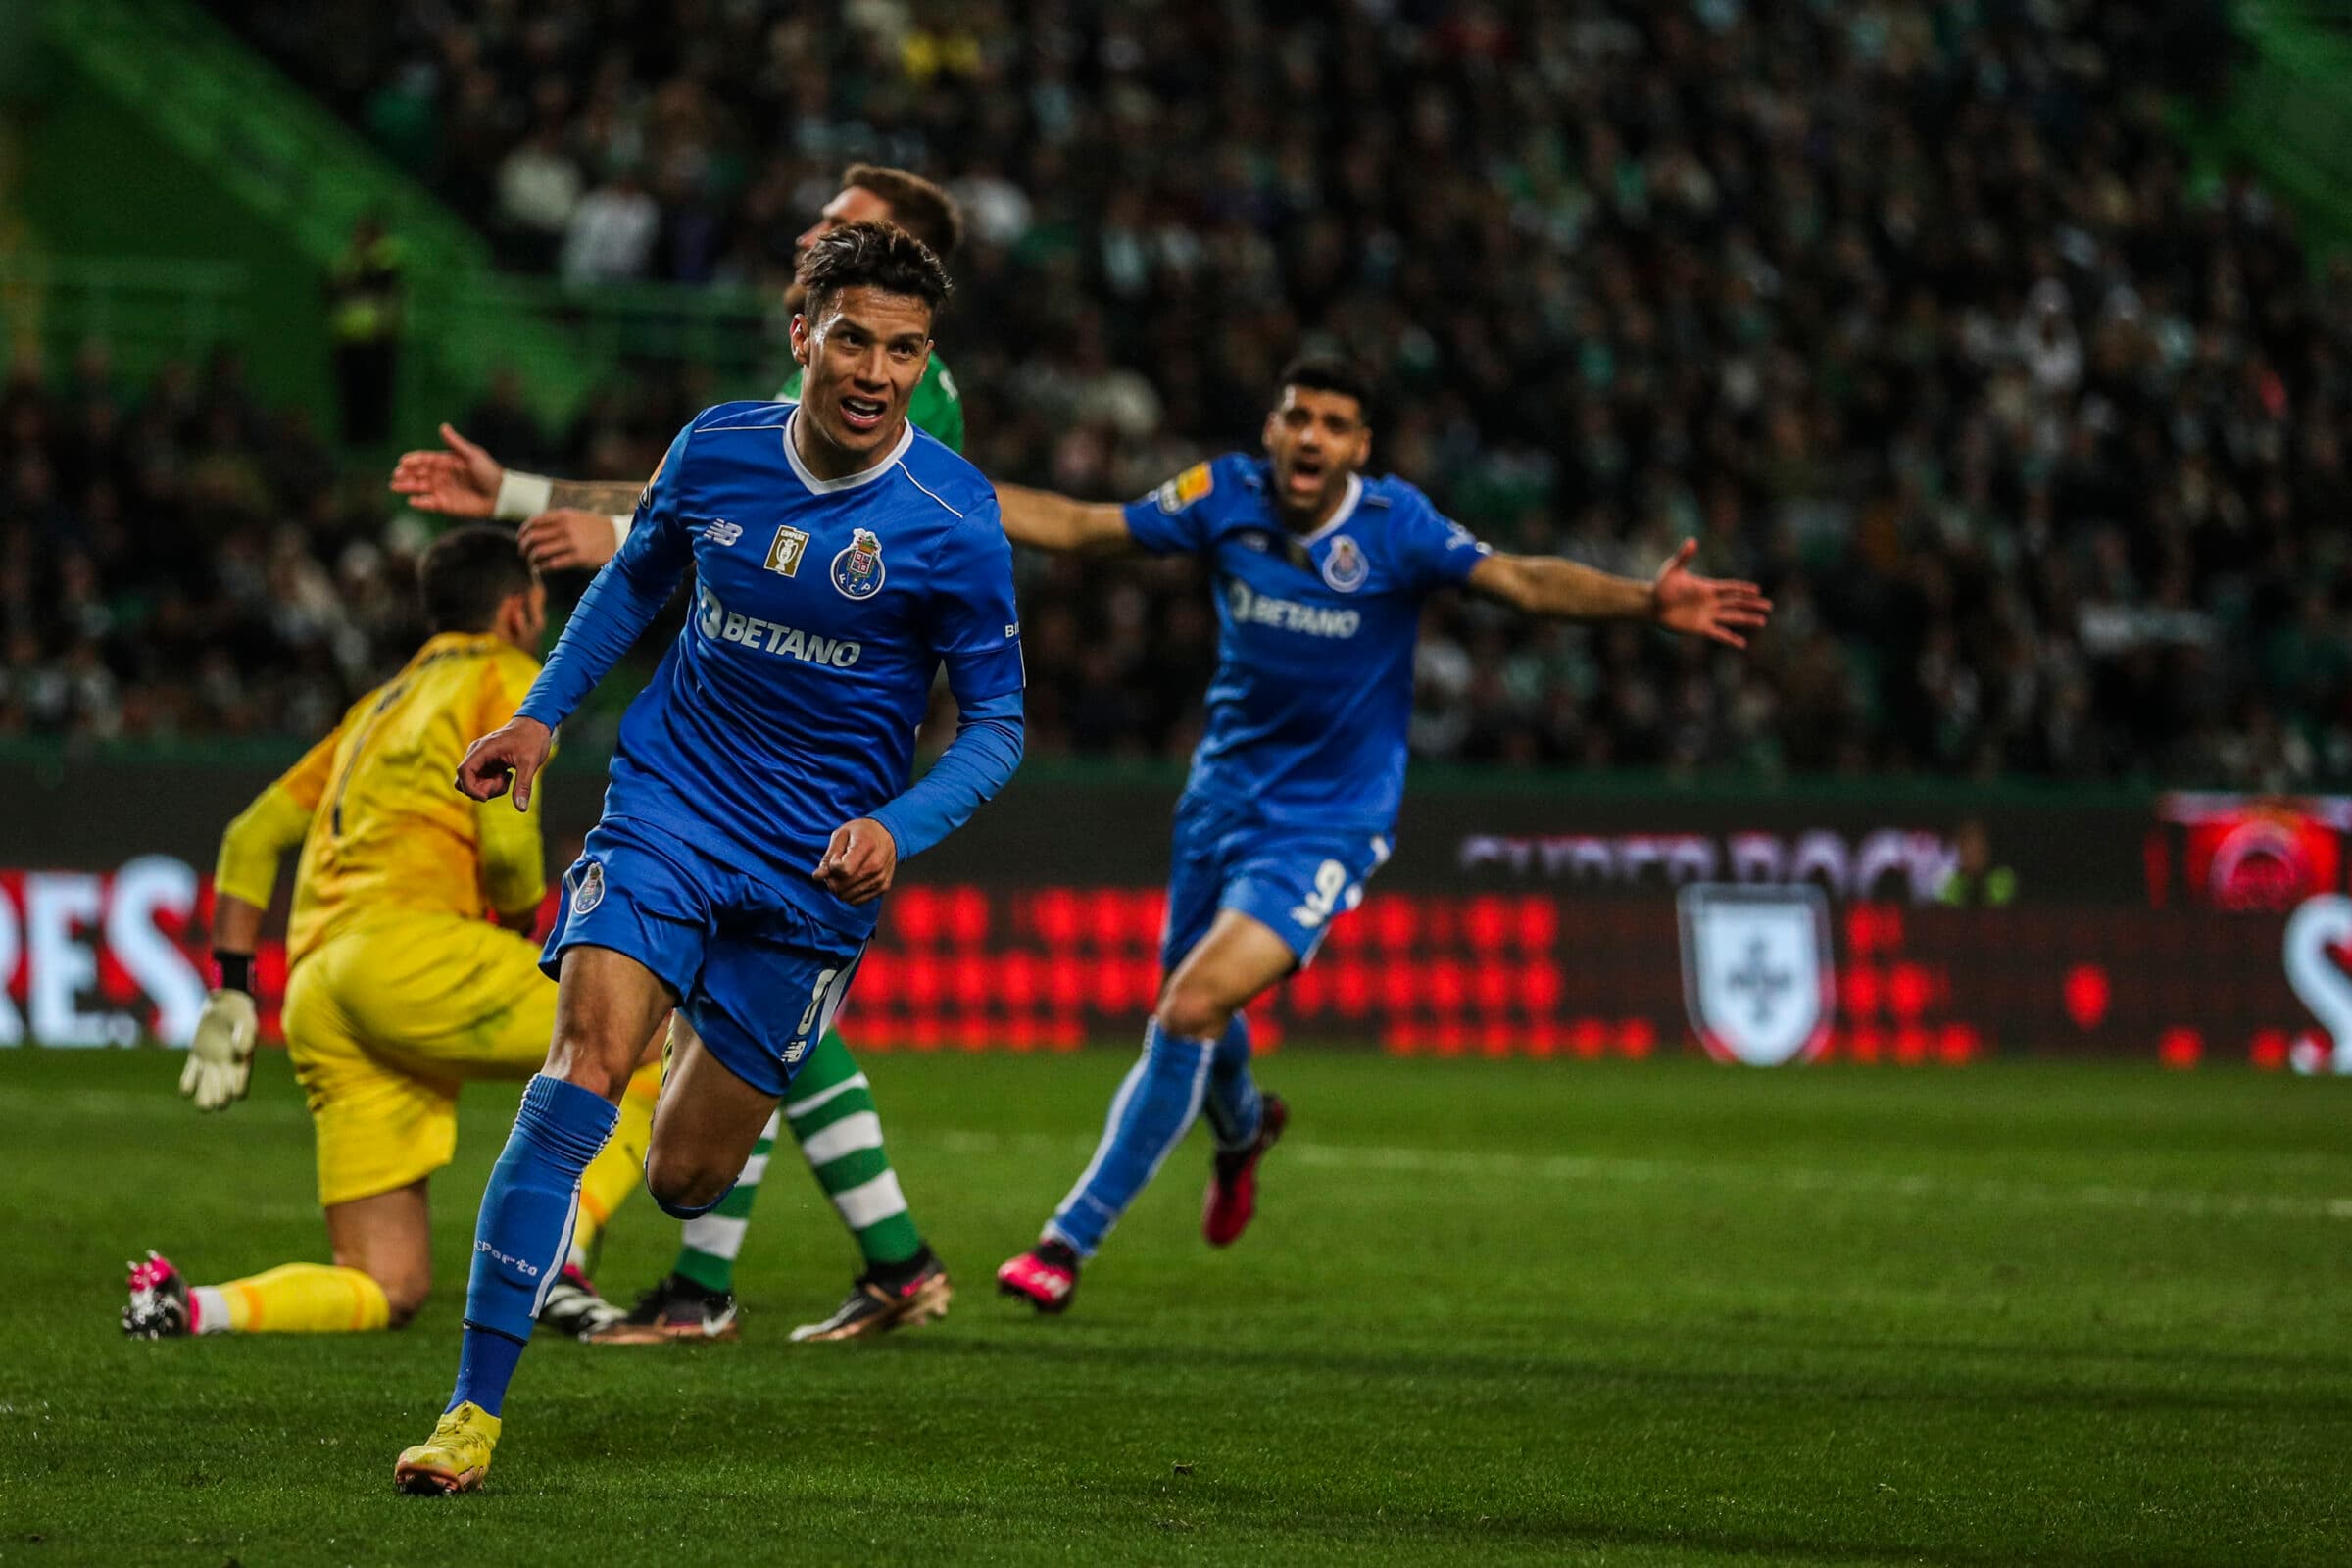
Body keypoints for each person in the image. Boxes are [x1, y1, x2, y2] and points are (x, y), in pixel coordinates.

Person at [393, 221, 1023, 1494]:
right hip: (671, 808)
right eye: (853, 339)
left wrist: (896, 828)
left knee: (687, 1178)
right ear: (802, 336)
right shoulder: (718, 446)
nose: (877, 372)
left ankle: (703, 1040)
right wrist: (542, 716)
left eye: (905, 350)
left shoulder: (954, 519)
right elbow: (635, 583)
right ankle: (468, 1413)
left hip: (813, 873)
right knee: (581, 1068)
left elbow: (1000, 724)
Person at [989, 357, 1773, 1313]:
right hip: (1219, 801)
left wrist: (1644, 602)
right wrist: (940, 490)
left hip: (1327, 822)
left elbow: (1520, 581)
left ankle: (1065, 1241)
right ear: (1272, 430)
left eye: (1334, 424)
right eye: (1297, 417)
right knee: (1193, 1005)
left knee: (1190, 1005)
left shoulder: (1397, 526)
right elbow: (1084, 526)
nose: (1311, 437)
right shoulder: (1222, 494)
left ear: (1359, 447)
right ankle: (1243, 1131)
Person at [122, 527, 658, 1340]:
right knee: (663, 1033)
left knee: (385, 1282)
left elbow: (251, 836)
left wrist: (231, 992)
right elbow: (508, 851)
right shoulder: (508, 675)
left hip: (318, 991)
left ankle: (190, 1307)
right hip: (413, 953)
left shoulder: (375, 707)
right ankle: (563, 1263)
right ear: (517, 611)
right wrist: (521, 924)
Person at [326, 214, 404, 446]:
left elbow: (388, 291)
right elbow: (330, 290)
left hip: (378, 339)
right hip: (349, 338)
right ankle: (353, 438)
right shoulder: (347, 262)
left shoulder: (386, 262)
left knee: (376, 393)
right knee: (351, 392)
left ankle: (376, 439)